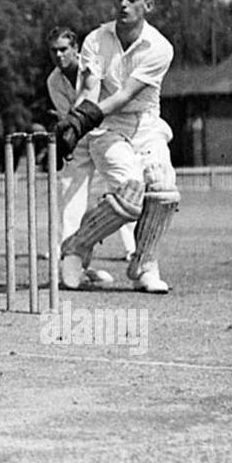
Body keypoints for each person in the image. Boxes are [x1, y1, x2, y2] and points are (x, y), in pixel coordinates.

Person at [54, 0, 180, 293]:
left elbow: (125, 95)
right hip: (108, 129)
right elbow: (91, 89)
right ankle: (77, 246)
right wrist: (73, 121)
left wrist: (83, 118)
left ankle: (144, 264)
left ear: (148, 5)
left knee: (163, 187)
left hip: (146, 124)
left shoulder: (160, 48)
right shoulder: (96, 40)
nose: (123, 3)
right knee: (130, 190)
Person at [45, 25, 137, 283]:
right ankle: (72, 266)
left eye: (64, 49)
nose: (59, 56)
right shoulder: (54, 81)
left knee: (127, 190)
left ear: (75, 48)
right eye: (54, 51)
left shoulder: (95, 65)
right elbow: (69, 118)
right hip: (81, 140)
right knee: (70, 203)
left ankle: (136, 255)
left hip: (110, 133)